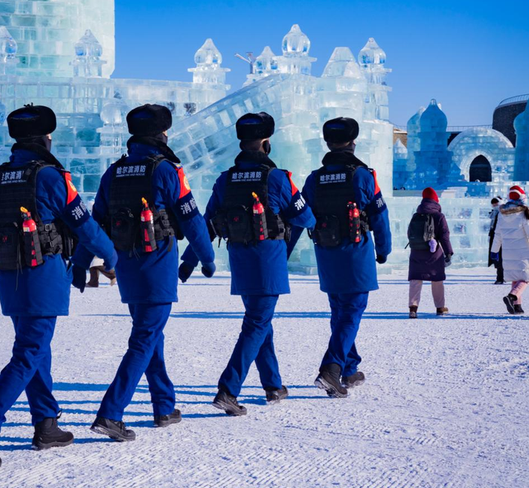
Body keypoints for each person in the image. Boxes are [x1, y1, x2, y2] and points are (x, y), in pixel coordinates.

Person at [0, 104, 117, 469]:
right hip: (43, 278)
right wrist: (111, 255)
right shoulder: (51, 177)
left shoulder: (0, 178)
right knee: (29, 353)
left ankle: (46, 424)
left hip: (10, 278)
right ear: (46, 137)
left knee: (35, 350)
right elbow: (84, 225)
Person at [84, 103, 215, 441]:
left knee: (150, 334)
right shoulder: (165, 170)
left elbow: (94, 223)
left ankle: (164, 406)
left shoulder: (113, 172)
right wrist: (207, 257)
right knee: (144, 338)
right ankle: (110, 413)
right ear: (161, 134)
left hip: (127, 266)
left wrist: (82, 262)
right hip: (157, 264)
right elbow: (191, 218)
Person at [181, 112, 315, 416]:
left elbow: (206, 223)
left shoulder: (225, 179)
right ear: (266, 143)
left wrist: (191, 259)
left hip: (240, 261)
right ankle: (228, 389)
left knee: (260, 323)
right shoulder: (278, 178)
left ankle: (273, 385)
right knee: (256, 324)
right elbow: (306, 218)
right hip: (268, 263)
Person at [288, 117, 391, 398]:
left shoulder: (314, 178)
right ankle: (331, 370)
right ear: (353, 142)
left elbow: (298, 218)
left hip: (326, 253)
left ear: (327, 142)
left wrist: (284, 252)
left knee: (339, 311)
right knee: (353, 309)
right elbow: (380, 215)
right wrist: (383, 249)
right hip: (355, 253)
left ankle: (349, 367)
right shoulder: (362, 175)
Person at [406, 187, 453, 318]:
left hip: (416, 251)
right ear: (436, 200)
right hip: (434, 253)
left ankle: (413, 308)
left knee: (416, 279)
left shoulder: (416, 215)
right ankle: (440, 308)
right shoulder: (439, 216)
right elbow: (444, 235)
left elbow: (409, 233)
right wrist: (448, 253)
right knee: (436, 279)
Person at [491, 185, 529, 315]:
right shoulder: (524, 212)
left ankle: (517, 306)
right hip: (523, 251)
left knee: (515, 277)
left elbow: (497, 233)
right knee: (525, 278)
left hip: (507, 251)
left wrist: (494, 250)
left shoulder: (502, 213)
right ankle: (512, 296)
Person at [488, 197, 505, 284]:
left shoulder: (501, 212)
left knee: (500, 259)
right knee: (499, 259)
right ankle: (501, 277)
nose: (494, 205)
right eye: (493, 203)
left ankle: (500, 278)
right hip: (496, 237)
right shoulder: (495, 212)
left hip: (499, 238)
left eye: (496, 203)